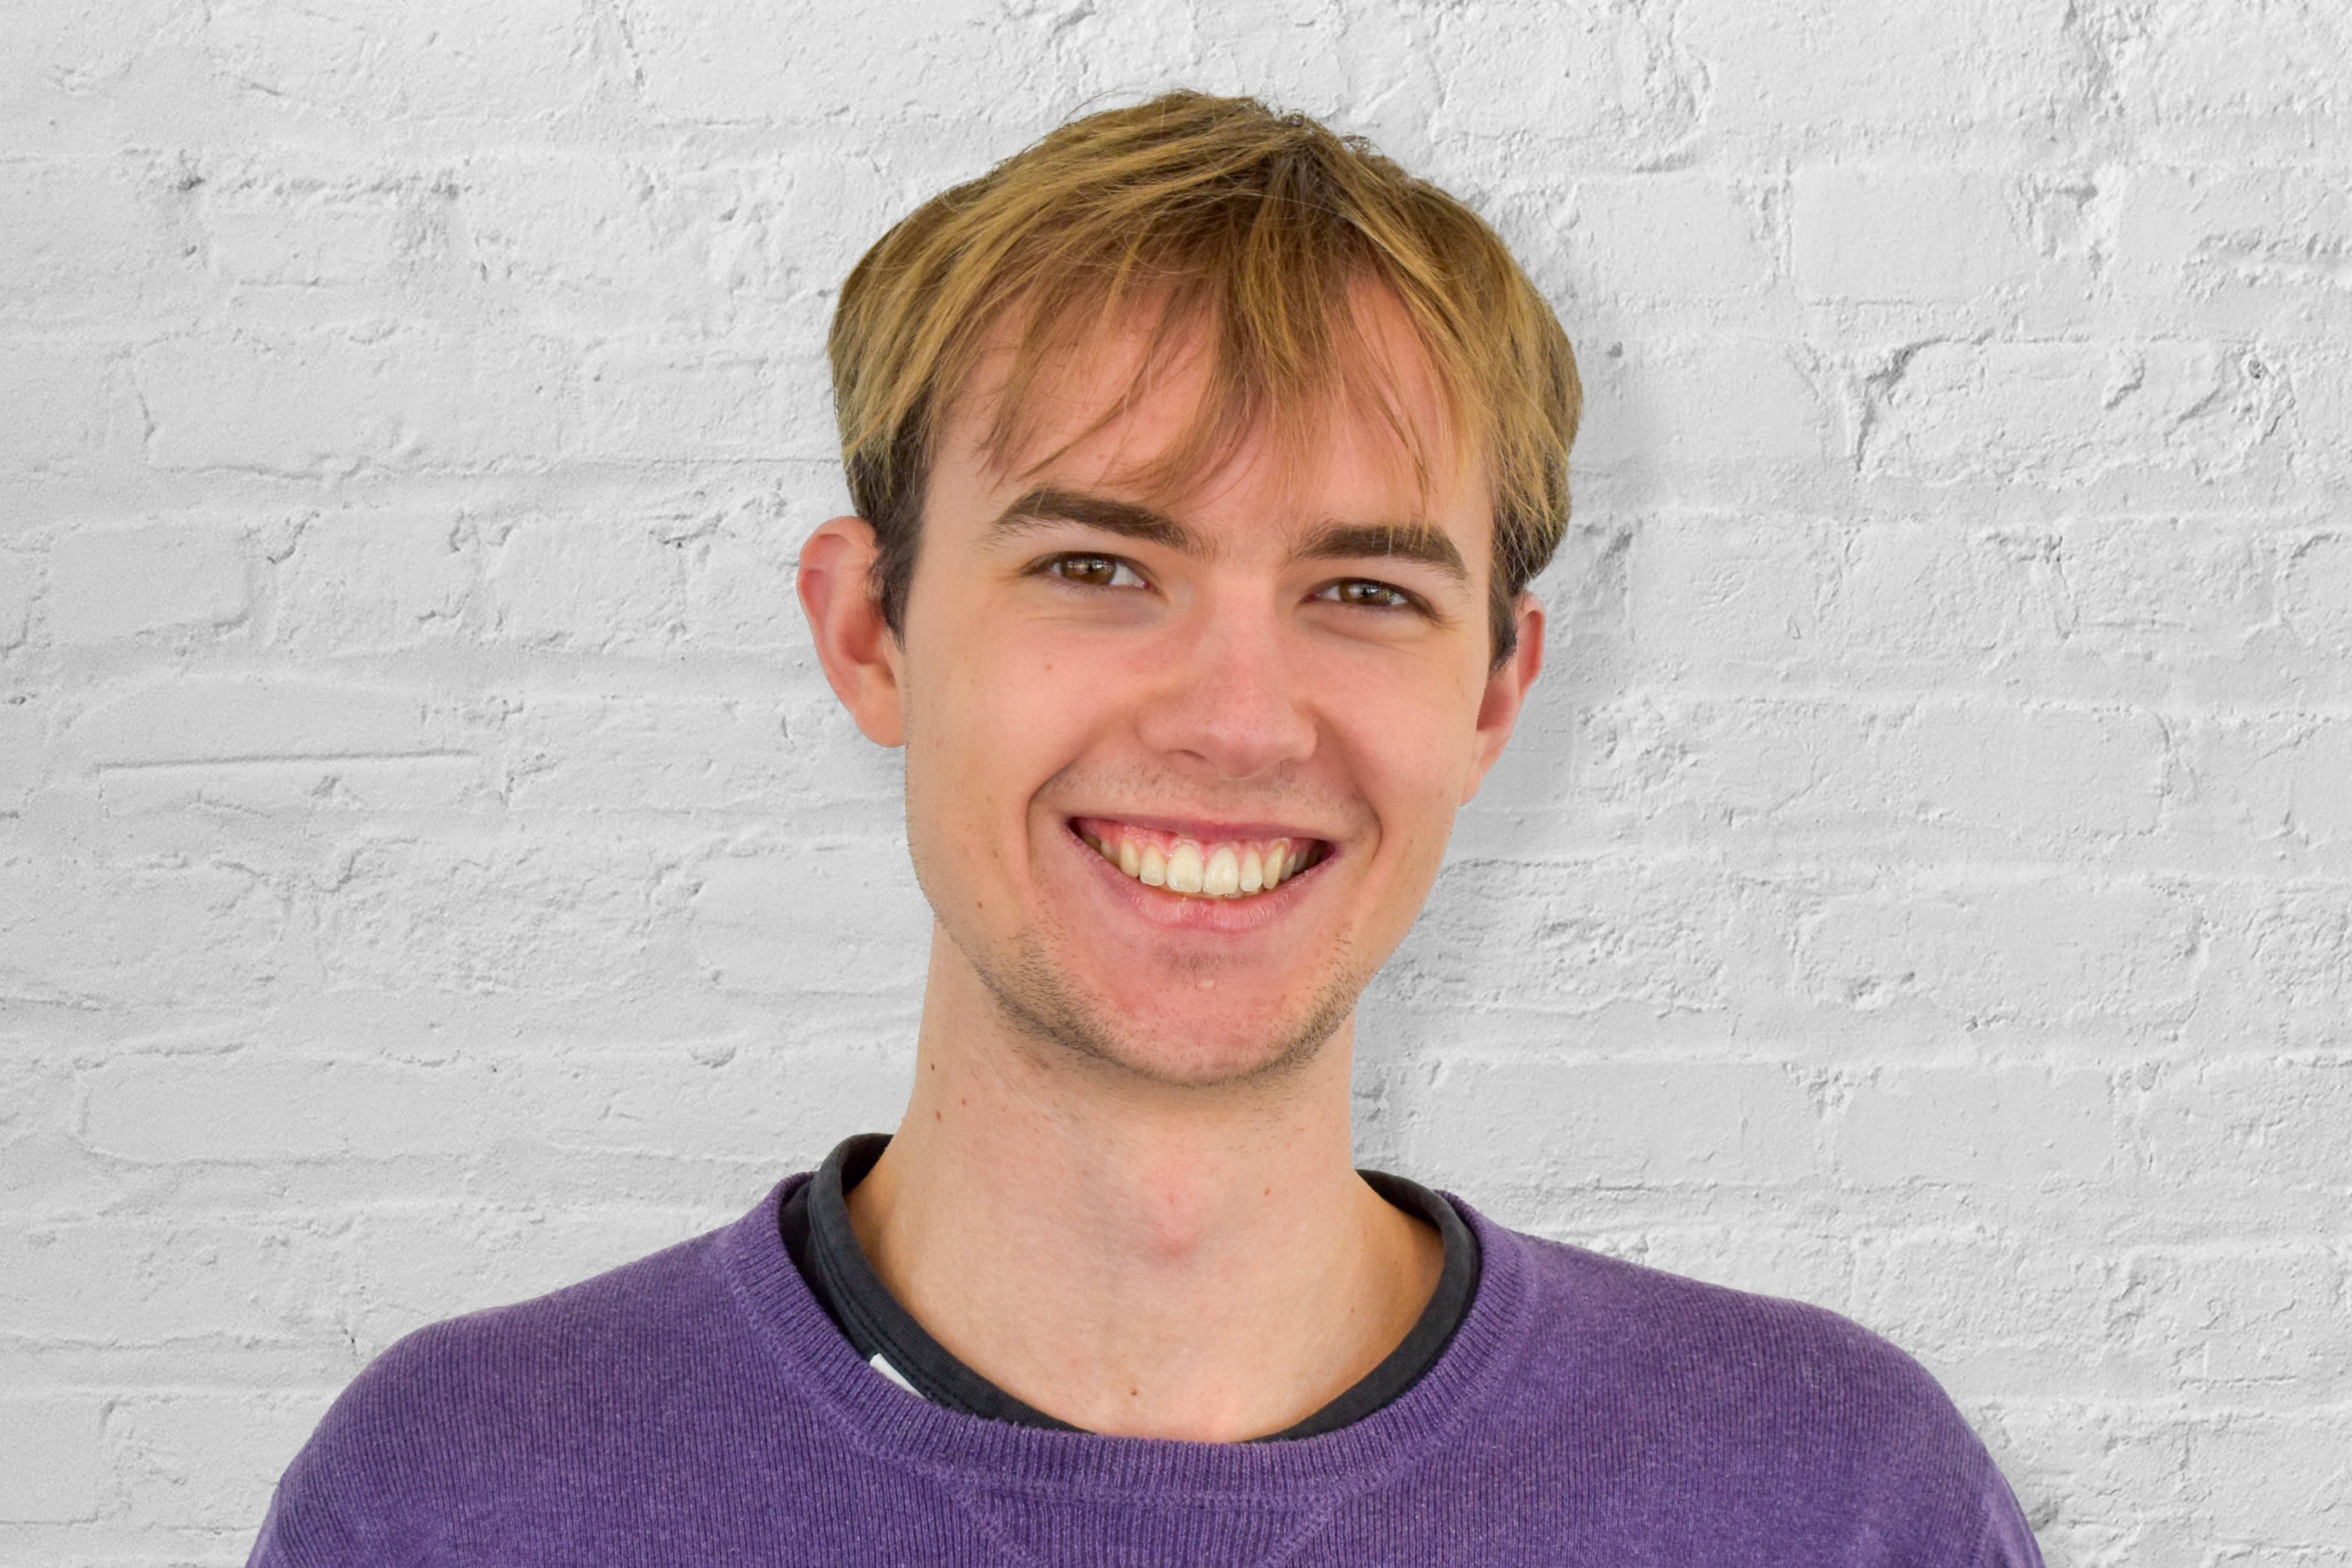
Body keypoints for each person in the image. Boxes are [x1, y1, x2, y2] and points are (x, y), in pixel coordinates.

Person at [249, 91, 2042, 1566]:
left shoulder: (1830, 1500)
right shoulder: (460, 1501)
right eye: (1098, 566)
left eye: (1362, 588)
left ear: (1497, 695)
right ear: (868, 632)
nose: (1237, 717)